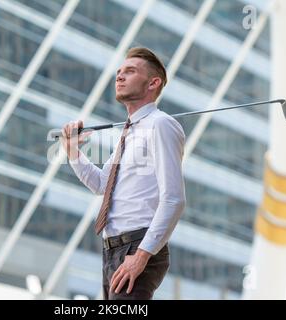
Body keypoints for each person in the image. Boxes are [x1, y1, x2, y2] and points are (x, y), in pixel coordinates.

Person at [60, 47, 186, 300]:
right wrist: (73, 152)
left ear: (153, 82)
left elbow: (174, 199)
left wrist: (141, 255)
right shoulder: (129, 132)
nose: (119, 77)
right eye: (119, 72)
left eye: (130, 71)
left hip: (137, 245)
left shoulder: (161, 124)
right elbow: (101, 186)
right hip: (112, 249)